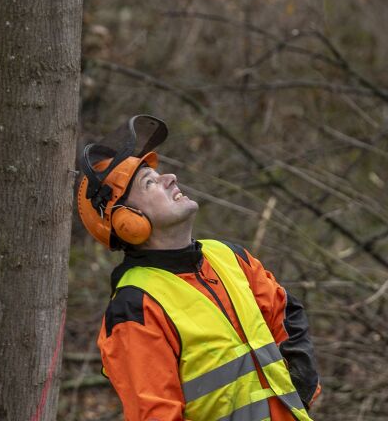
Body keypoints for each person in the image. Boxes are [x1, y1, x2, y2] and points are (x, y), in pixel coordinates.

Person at [77, 115, 321, 421]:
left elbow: (286, 315)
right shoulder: (135, 306)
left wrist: (300, 390)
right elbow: (156, 414)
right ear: (128, 220)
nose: (171, 179)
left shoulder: (229, 256)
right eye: (149, 182)